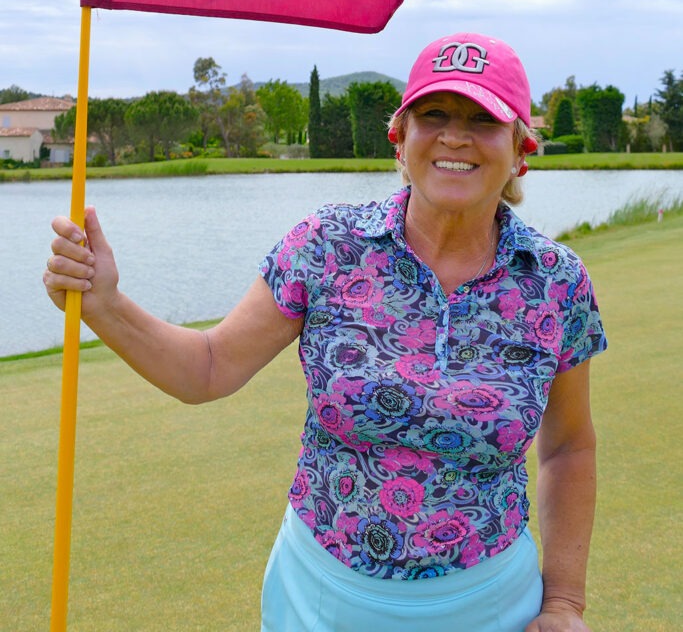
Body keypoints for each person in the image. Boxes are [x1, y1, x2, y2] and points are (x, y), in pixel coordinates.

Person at [44, 32, 607, 632]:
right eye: (434, 114)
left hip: (490, 604)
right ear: (400, 138)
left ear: (521, 149)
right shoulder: (327, 246)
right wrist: (104, 305)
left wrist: (565, 602)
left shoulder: (554, 280)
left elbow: (570, 446)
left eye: (484, 119)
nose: (454, 136)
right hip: (321, 600)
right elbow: (208, 368)